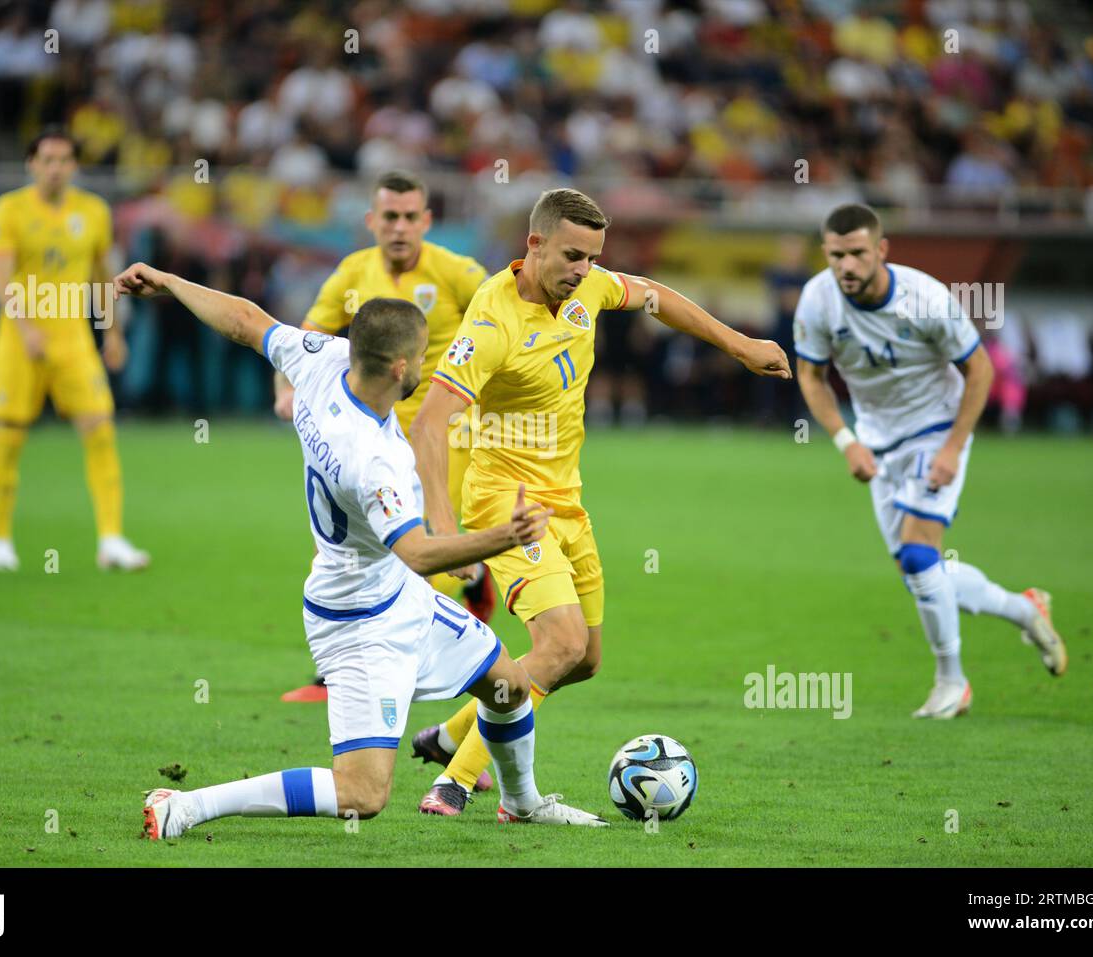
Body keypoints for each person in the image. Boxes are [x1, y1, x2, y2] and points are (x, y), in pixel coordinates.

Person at [111, 263, 606, 831]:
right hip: (358, 620)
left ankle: (522, 803)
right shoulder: (376, 460)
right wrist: (504, 538)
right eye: (423, 357)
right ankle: (189, 805)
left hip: (396, 598)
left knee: (509, 687)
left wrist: (172, 284)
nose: (427, 365)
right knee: (362, 795)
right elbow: (418, 554)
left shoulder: (322, 362)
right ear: (400, 368)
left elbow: (247, 321)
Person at [408, 187, 791, 815]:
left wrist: (741, 346)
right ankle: (458, 780)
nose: (584, 271)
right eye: (572, 256)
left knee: (584, 659)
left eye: (592, 258)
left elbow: (655, 296)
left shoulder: (585, 289)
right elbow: (430, 423)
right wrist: (446, 533)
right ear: (533, 245)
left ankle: (448, 733)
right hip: (509, 505)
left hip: (567, 501)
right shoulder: (491, 322)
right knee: (557, 645)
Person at [794, 203, 1067, 719]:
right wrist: (845, 441)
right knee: (921, 573)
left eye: (856, 254)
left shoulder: (925, 298)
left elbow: (980, 370)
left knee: (921, 558)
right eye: (835, 256)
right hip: (877, 444)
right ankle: (1023, 609)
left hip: (935, 432)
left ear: (881, 251)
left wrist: (952, 448)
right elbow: (811, 375)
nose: (846, 266)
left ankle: (952, 682)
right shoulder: (817, 300)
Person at [274, 170, 495, 707]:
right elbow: (308, 334)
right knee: (347, 541)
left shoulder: (457, 273)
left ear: (427, 221)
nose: (399, 228)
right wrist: (285, 388)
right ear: (372, 221)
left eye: (409, 217)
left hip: (443, 429)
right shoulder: (354, 272)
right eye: (389, 217)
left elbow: (503, 318)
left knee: (418, 545)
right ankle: (467, 591)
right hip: (369, 431)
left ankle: (385, 674)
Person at [0, 127, 148, 571]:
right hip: (21, 338)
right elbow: (0, 279)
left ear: (74, 166)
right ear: (31, 165)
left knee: (100, 427)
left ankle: (111, 540)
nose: (55, 169)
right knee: (10, 433)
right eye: (47, 160)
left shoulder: (93, 211)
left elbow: (101, 276)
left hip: (72, 336)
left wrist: (110, 332)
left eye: (63, 161)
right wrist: (24, 325)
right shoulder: (9, 210)